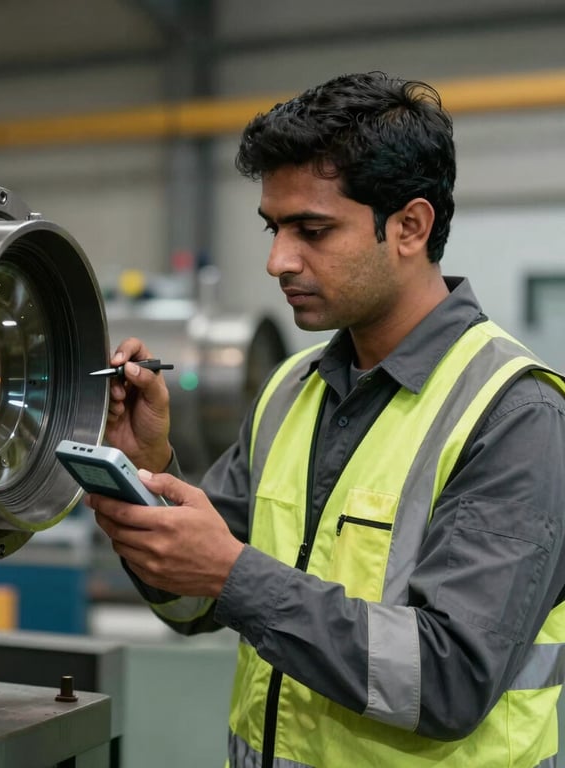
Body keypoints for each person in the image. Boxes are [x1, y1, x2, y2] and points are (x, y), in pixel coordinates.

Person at [85, 71, 565, 767]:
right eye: (274, 228)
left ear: (409, 226)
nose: (279, 260)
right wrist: (146, 472)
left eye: (312, 230)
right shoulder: (290, 391)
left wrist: (234, 575)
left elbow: (450, 681)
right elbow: (194, 605)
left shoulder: (517, 417)